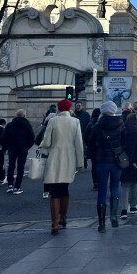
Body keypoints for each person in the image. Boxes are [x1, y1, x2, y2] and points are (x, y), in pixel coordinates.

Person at [39, 99, 84, 235]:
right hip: (69, 158)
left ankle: (54, 223)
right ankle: (63, 217)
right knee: (64, 189)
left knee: (54, 191)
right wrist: (80, 162)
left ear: (59, 108)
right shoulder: (75, 122)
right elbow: (79, 143)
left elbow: (46, 141)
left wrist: (43, 149)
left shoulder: (53, 121)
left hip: (55, 156)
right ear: (69, 109)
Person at [88, 101, 126, 232]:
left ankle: (102, 223)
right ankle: (114, 215)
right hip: (116, 160)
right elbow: (124, 141)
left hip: (102, 161)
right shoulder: (120, 124)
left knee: (102, 190)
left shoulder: (98, 126)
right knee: (115, 187)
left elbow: (90, 142)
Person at [2, 109, 35, 195]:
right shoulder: (27, 125)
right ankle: (17, 187)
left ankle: (10, 185)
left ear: (16, 116)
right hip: (23, 148)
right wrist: (27, 147)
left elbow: (4, 137)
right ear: (24, 116)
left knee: (11, 166)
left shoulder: (10, 125)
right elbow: (32, 137)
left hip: (12, 148)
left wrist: (6, 147)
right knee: (21, 167)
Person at [119, 112, 137, 218]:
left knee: (125, 185)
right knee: (134, 183)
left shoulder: (123, 129)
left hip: (124, 159)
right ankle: (133, 206)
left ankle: (124, 209)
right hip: (136, 160)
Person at [84, 108, 101, 191]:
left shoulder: (90, 124)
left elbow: (85, 136)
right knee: (101, 166)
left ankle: (95, 183)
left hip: (93, 148)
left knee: (94, 166)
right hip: (101, 149)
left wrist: (89, 144)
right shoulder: (101, 123)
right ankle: (101, 182)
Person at [73, 101, 90, 166]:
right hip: (75, 134)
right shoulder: (73, 115)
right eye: (77, 106)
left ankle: (84, 160)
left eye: (79, 106)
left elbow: (88, 124)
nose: (78, 107)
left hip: (84, 134)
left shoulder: (86, 114)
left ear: (82, 107)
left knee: (83, 149)